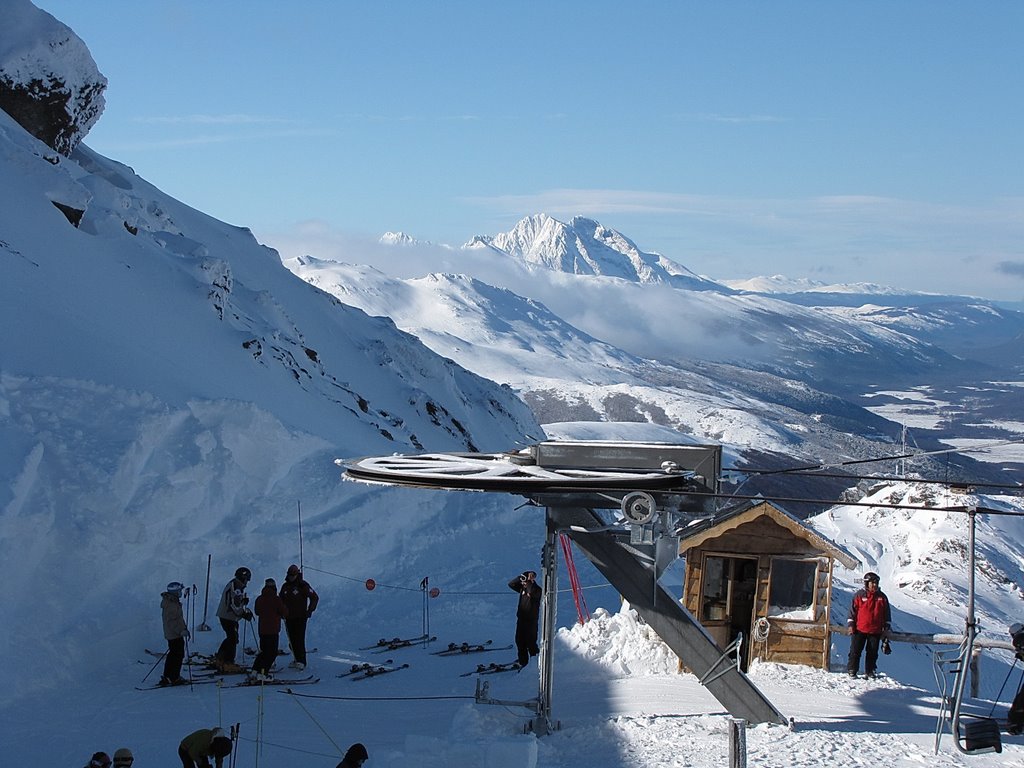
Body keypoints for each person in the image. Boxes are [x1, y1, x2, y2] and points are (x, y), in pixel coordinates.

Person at [846, 571, 892, 678]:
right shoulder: (859, 596)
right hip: (859, 629)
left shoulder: (882, 598)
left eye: (876, 583)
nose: (875, 585)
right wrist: (851, 625)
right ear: (867, 583)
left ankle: (870, 671)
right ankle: (852, 669)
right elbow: (852, 611)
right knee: (855, 651)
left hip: (875, 630)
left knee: (872, 653)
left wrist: (886, 627)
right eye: (872, 583)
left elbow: (887, 614)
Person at [280, 563, 319, 670]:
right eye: (289, 575)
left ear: (297, 575)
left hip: (300, 617)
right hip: (288, 618)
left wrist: (310, 610)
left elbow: (314, 597)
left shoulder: (303, 586)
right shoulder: (285, 586)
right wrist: (281, 612)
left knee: (299, 639)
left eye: (293, 575)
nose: (291, 577)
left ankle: (302, 661)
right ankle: (296, 658)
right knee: (291, 639)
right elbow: (280, 600)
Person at [214, 566, 252, 669]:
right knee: (233, 639)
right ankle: (228, 662)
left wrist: (243, 602)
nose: (246, 583)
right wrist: (243, 614)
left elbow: (235, 602)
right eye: (246, 580)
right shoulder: (236, 587)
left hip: (226, 615)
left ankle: (220, 658)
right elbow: (234, 605)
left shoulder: (234, 584)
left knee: (232, 637)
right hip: (228, 616)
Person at [251, 577, 289, 680]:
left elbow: (257, 611)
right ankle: (263, 673)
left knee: (263, 651)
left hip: (262, 630)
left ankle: (255, 670)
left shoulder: (259, 599)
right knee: (271, 653)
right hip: (273, 630)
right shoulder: (276, 599)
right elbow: (284, 612)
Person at [508, 570, 542, 668]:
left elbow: (532, 592)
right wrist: (521, 577)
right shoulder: (522, 588)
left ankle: (535, 662)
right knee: (519, 641)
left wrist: (529, 581)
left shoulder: (537, 589)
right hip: (521, 620)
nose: (523, 582)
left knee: (531, 643)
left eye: (525, 580)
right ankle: (524, 663)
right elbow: (511, 584)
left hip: (531, 622)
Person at [160, 581, 190, 686]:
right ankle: (173, 677)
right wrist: (181, 631)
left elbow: (178, 619)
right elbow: (172, 621)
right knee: (177, 655)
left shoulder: (173, 602)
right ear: (175, 592)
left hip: (175, 633)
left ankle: (169, 676)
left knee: (174, 654)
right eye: (179, 591)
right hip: (174, 634)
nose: (181, 593)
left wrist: (183, 628)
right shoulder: (171, 604)